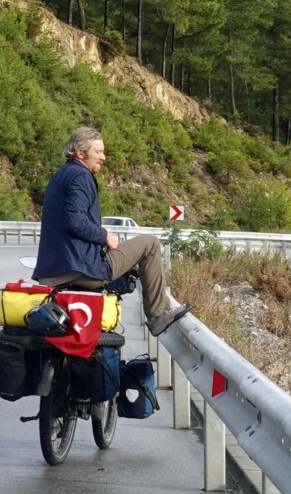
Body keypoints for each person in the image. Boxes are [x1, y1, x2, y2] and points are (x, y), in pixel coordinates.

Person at [34, 124, 188, 336]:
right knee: (150, 243)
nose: (103, 157)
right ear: (80, 153)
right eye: (98, 152)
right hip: (80, 269)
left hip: (52, 272)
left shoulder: (61, 175)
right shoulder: (81, 176)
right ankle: (158, 315)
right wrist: (104, 235)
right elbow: (75, 221)